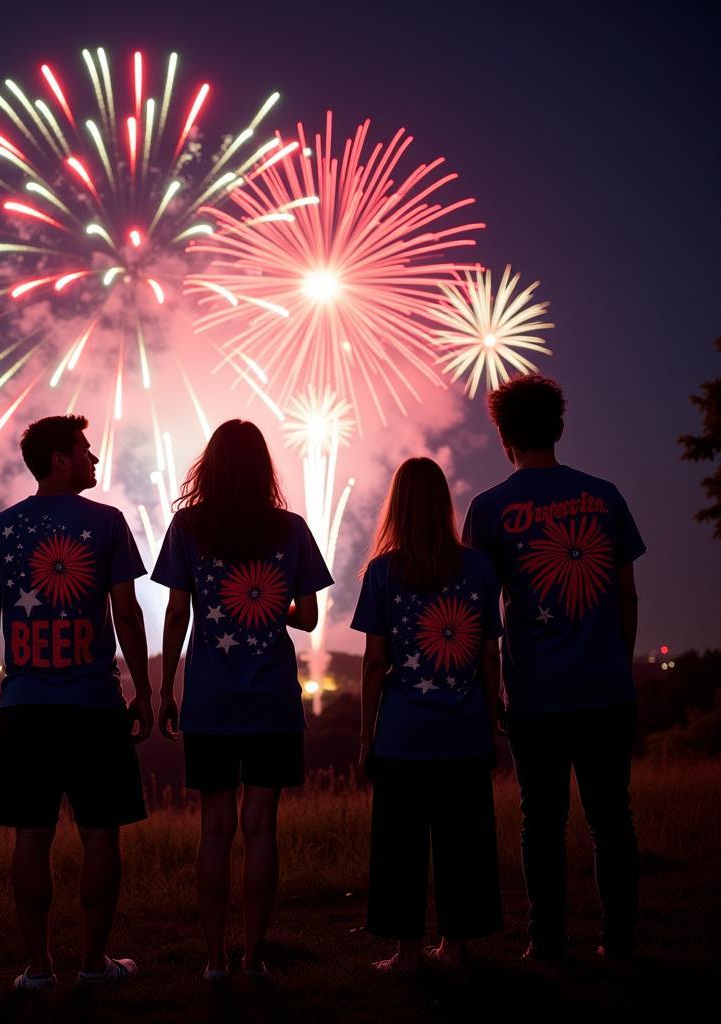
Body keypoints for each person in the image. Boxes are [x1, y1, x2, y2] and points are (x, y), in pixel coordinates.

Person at [0, 414, 153, 991]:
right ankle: (95, 966)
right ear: (60, 459)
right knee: (100, 835)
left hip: (25, 706)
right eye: (85, 450)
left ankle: (38, 969)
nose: (94, 459)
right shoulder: (108, 523)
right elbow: (128, 612)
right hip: (94, 705)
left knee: (30, 837)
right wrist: (141, 690)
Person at [462, 375, 644, 961]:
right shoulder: (606, 496)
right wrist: (618, 658)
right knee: (611, 820)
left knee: (540, 823)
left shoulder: (488, 509)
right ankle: (619, 940)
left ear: (503, 436)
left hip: (534, 693)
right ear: (560, 428)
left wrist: (489, 689)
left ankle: (546, 941)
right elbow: (627, 594)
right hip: (605, 687)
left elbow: (479, 612)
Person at [151, 419, 333, 980]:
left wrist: (165, 689)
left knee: (214, 830)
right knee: (260, 829)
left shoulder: (188, 526)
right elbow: (308, 617)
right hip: (272, 701)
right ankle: (254, 959)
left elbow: (177, 612)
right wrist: (265, 603)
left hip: (208, 699)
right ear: (264, 470)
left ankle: (213, 961)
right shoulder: (292, 529)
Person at [351, 457, 503, 973]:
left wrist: (367, 732)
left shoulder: (383, 571)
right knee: (464, 845)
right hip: (463, 733)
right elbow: (488, 654)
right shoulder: (479, 568)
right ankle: (456, 947)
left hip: (402, 736)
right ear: (443, 504)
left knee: (400, 847)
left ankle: (407, 953)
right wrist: (494, 716)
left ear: (397, 506)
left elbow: (375, 662)